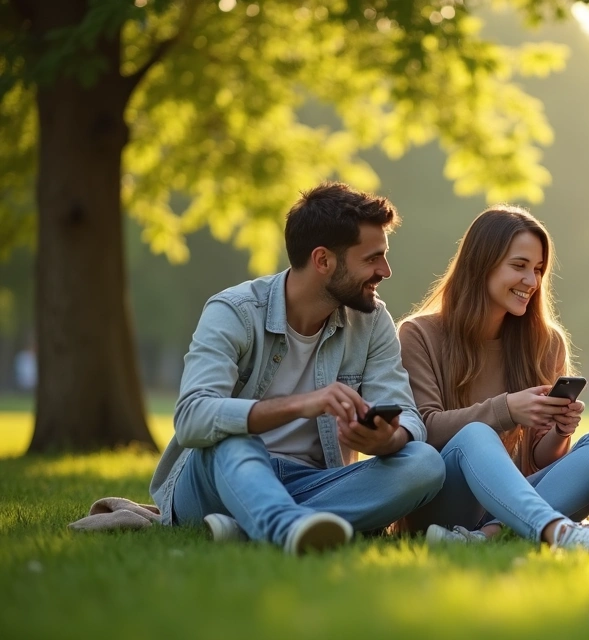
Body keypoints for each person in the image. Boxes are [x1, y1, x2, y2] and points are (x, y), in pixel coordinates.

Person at [148, 182, 446, 555]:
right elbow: (192, 418)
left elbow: (408, 418)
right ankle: (286, 526)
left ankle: (254, 526)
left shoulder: (371, 320)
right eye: (372, 258)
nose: (385, 270)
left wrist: (389, 439)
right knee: (232, 436)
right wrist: (302, 404)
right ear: (323, 261)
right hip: (220, 478)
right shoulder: (234, 311)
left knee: (424, 464)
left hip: (315, 481)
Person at [398, 206, 589, 552]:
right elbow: (423, 429)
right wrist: (506, 409)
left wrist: (559, 430)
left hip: (513, 501)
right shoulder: (419, 334)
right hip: (444, 503)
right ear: (482, 264)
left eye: (538, 270)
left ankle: (487, 537)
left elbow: (541, 461)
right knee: (476, 434)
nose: (532, 282)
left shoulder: (545, 342)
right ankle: (561, 532)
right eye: (519, 266)